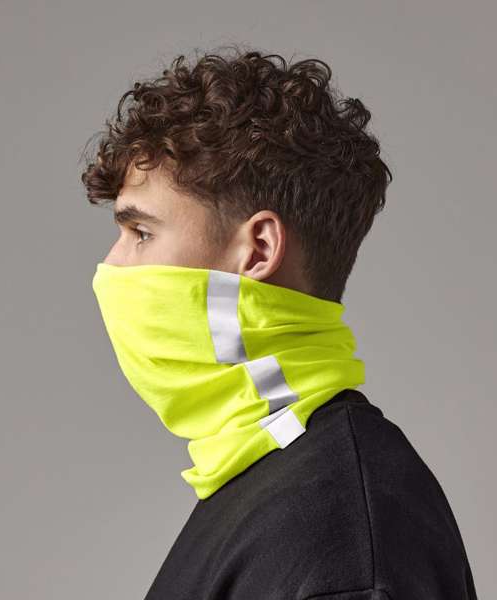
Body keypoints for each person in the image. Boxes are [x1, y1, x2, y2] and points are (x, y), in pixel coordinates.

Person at [81, 46, 478, 599]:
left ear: (260, 249)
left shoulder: (338, 533)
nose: (111, 266)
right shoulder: (265, 473)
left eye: (141, 233)